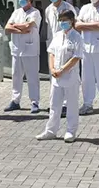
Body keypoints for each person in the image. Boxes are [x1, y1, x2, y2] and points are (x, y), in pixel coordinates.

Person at [36, 10, 83, 143]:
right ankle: (50, 131)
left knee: (72, 106)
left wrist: (62, 69)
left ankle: (70, 131)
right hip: (56, 77)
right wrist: (52, 69)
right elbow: (51, 53)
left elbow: (76, 57)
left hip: (70, 77)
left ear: (72, 21)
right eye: (61, 20)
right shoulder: (57, 35)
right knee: (54, 105)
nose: (63, 23)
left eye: (65, 20)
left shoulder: (77, 37)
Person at [5, 0, 42, 113]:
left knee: (32, 77)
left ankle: (34, 102)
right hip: (16, 50)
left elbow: (29, 26)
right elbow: (7, 27)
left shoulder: (35, 13)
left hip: (30, 50)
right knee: (16, 76)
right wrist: (21, 29)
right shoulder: (16, 12)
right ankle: (15, 101)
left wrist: (16, 26)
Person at [45, 0, 76, 118]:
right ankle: (55, 102)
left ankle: (65, 105)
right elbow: (49, 27)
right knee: (54, 72)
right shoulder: (48, 9)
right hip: (54, 44)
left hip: (67, 44)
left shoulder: (68, 7)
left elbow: (74, 22)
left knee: (66, 73)